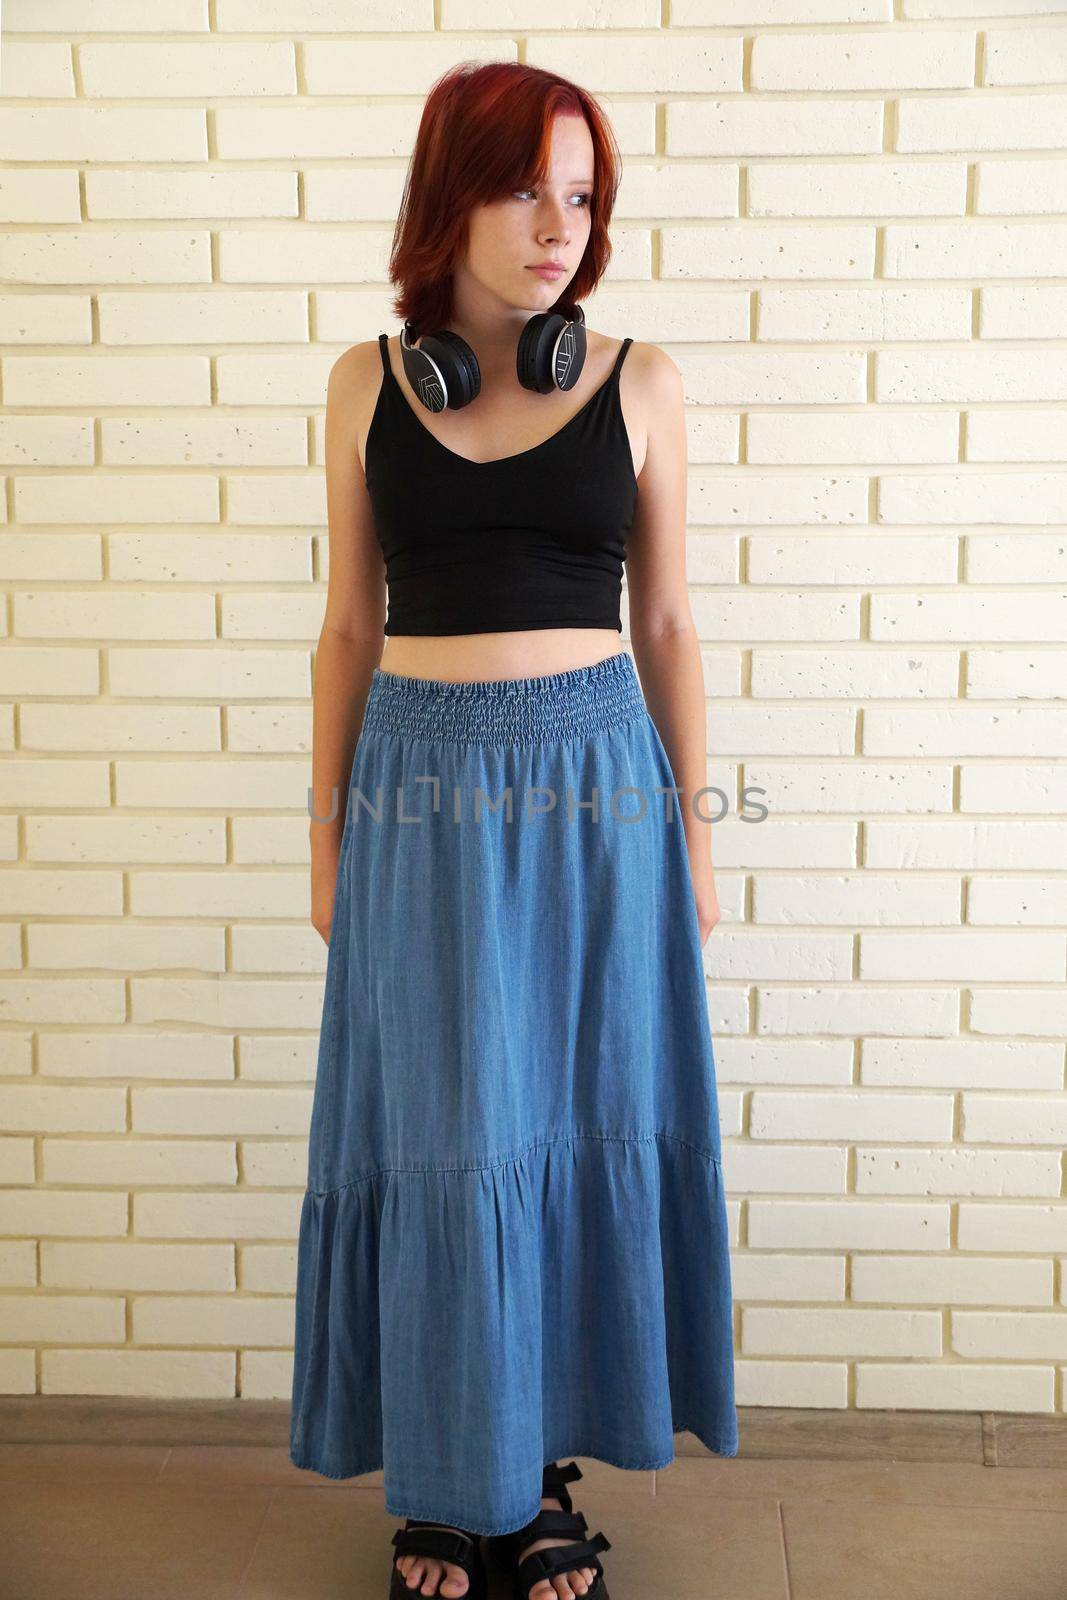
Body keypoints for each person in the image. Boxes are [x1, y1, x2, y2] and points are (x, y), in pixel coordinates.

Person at [289, 59, 738, 1600]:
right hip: (419, 799)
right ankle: (442, 1482)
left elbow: (669, 623)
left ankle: (536, 1479)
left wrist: (692, 834)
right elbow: (348, 628)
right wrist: (324, 832)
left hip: (600, 799)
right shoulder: (363, 383)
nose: (560, 224)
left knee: (562, 1122)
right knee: (444, 1136)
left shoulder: (643, 379)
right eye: (524, 186)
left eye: (584, 193)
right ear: (447, 196)